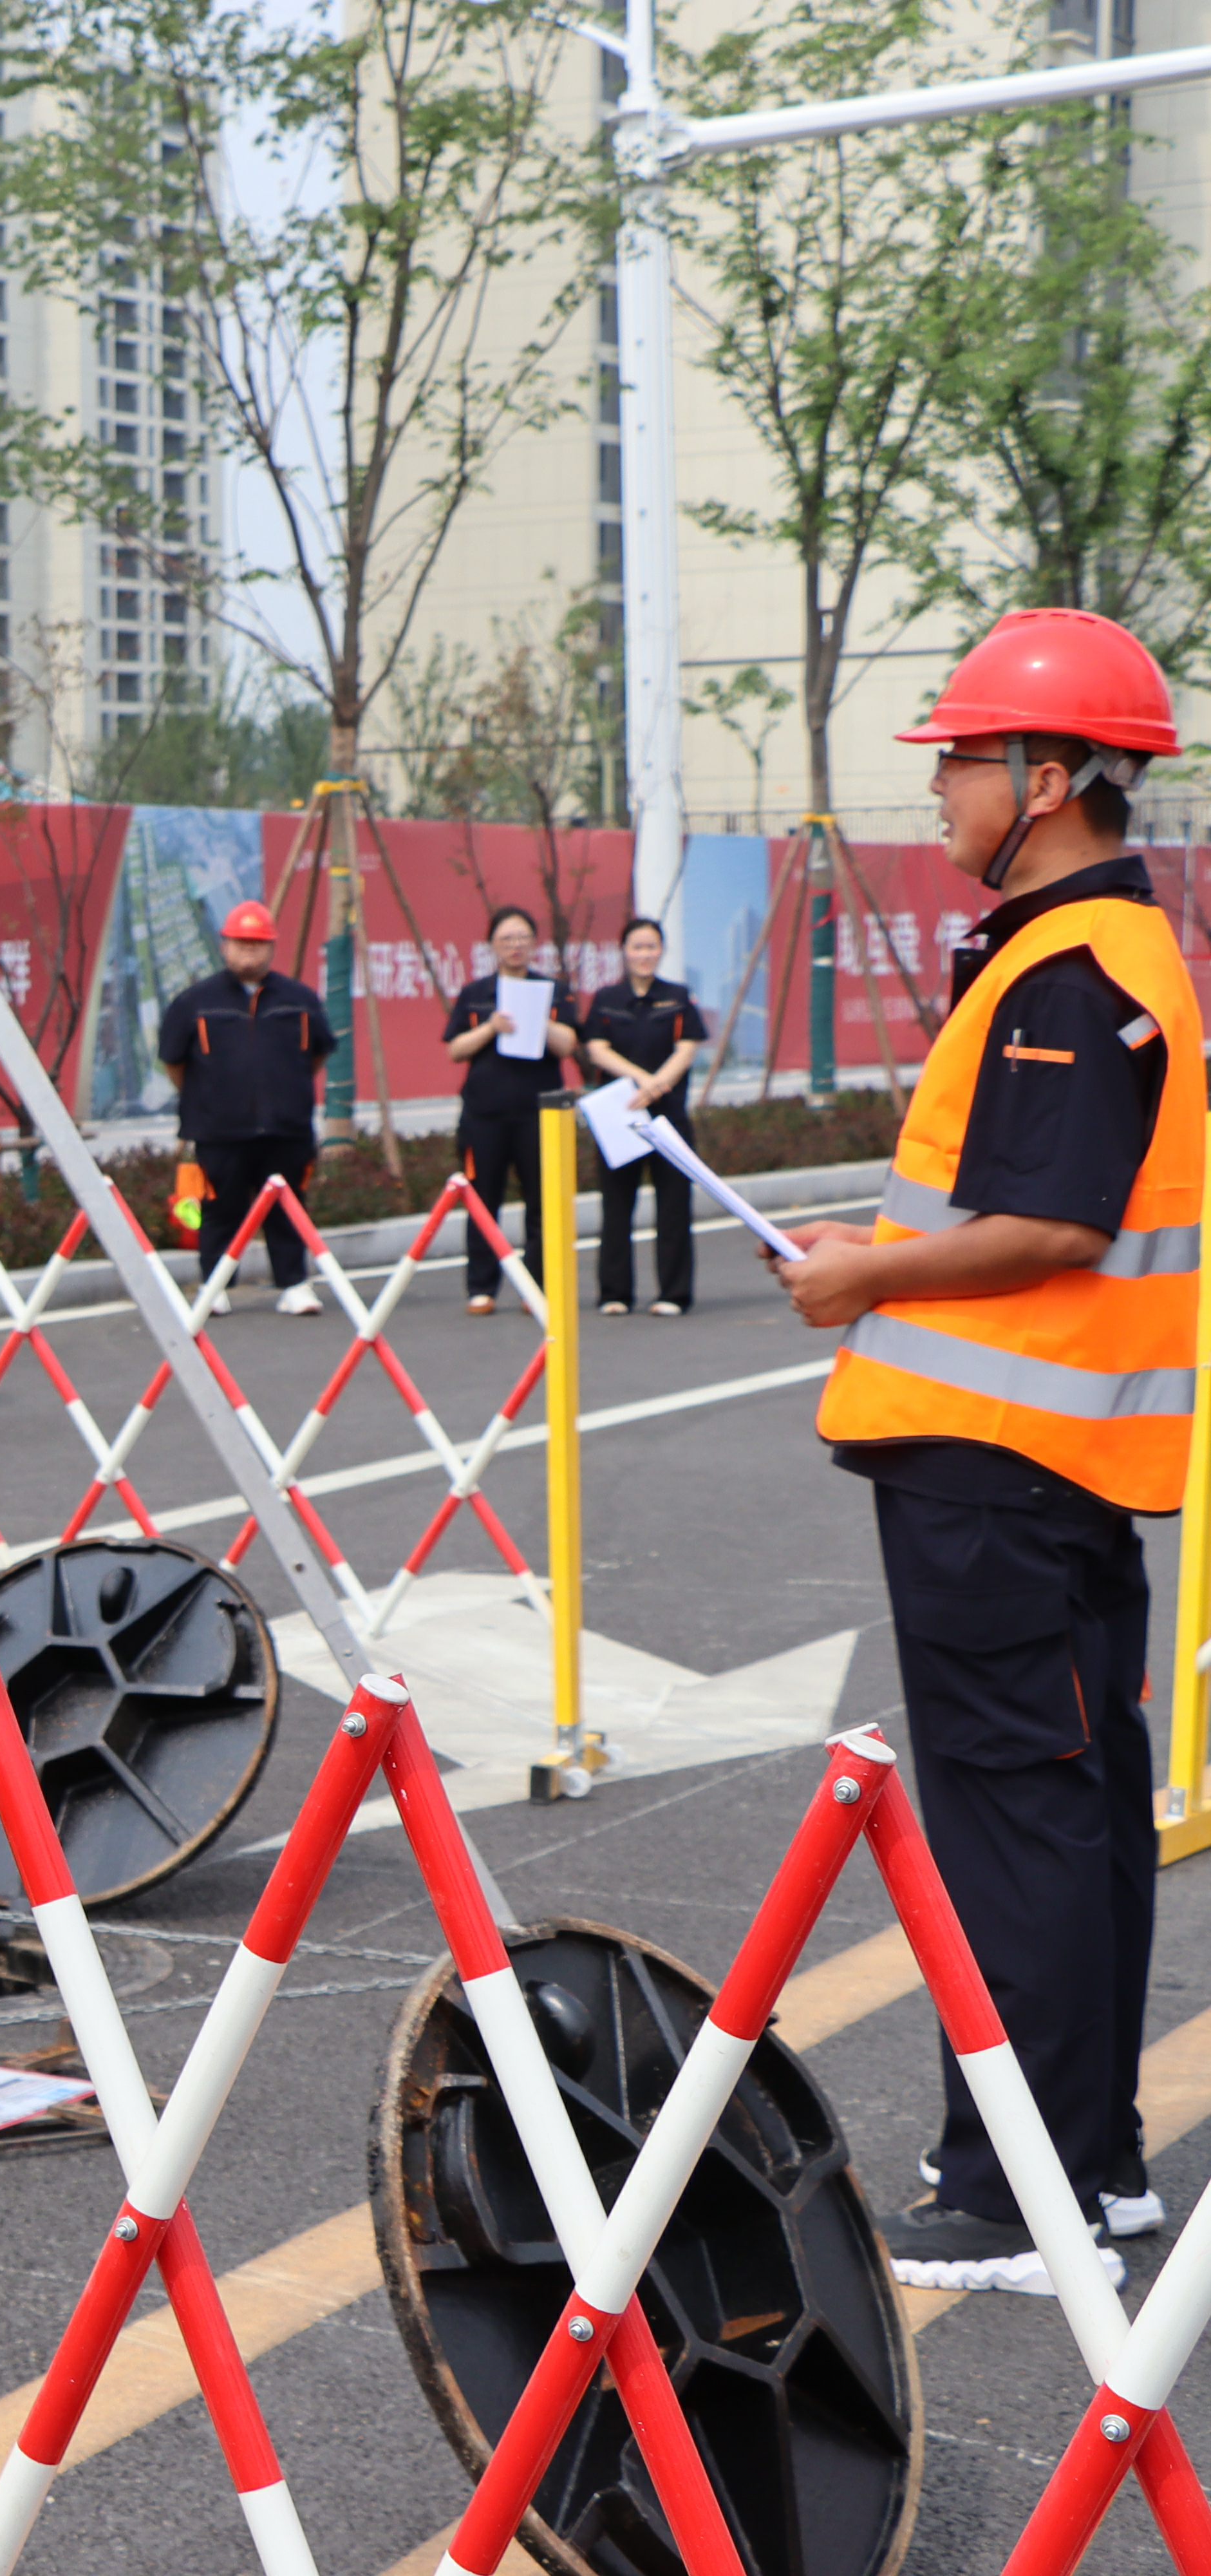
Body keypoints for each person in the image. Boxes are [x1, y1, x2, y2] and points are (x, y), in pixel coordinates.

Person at [774, 608, 1197, 2297]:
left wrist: (864, 1278)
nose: (941, 788)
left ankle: (1021, 2197)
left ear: (1052, 778)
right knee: (1073, 1812)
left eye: (962, 759)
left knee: (1019, 1824)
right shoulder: (1102, 953)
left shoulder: (1070, 971)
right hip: (1048, 1462)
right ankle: (1090, 2166)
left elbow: (1053, 1222)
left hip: (998, 1467)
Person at [156, 898, 337, 1318]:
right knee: (221, 1210)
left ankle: (294, 1285)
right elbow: (174, 1061)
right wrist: (208, 1097)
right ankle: (215, 1287)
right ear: (224, 946)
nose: (249, 952)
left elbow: (318, 1054)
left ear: (272, 948)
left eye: (258, 944)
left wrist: (284, 1091)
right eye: (241, 944)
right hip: (219, 1130)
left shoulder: (299, 999)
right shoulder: (195, 1002)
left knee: (288, 1207)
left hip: (286, 1128)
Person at [442, 904, 579, 1315]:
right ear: (492, 945)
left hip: (540, 1115)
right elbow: (455, 1049)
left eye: (522, 938)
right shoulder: (476, 993)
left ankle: (537, 1287)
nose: (515, 945)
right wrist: (491, 1027)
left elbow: (569, 1045)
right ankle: (482, 1288)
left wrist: (537, 1019)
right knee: (483, 1201)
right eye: (507, 938)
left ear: (535, 944)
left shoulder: (553, 991)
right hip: (484, 1115)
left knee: (542, 1202)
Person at [582, 916, 707, 1317]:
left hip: (668, 1115)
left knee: (674, 1205)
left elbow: (687, 1048)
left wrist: (656, 1087)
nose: (644, 954)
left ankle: (674, 1293)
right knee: (617, 1206)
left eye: (651, 946)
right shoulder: (607, 998)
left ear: (662, 950)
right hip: (620, 1115)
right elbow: (597, 1049)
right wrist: (641, 1080)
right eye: (637, 947)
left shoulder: (677, 996)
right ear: (624, 951)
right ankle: (615, 1293)